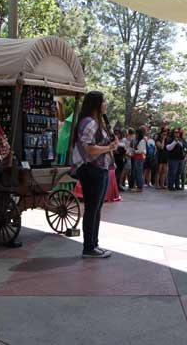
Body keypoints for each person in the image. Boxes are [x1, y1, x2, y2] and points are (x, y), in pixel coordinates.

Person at [71, 91, 117, 259]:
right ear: (96, 104)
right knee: (92, 209)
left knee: (96, 208)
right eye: (104, 101)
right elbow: (89, 148)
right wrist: (109, 148)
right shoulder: (90, 123)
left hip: (100, 169)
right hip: (91, 169)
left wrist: (111, 144)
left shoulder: (98, 122)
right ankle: (89, 247)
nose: (106, 104)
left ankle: (93, 245)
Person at [131, 127, 146, 192]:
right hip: (137, 157)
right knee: (137, 172)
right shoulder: (138, 140)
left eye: (136, 134)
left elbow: (141, 150)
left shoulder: (142, 141)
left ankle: (140, 187)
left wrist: (134, 150)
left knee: (139, 173)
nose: (135, 135)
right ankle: (138, 186)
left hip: (139, 158)